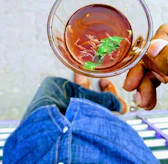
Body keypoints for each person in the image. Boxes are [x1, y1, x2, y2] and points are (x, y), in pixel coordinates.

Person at [3, 24, 168, 164]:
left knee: (53, 85)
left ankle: (88, 90)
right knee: (74, 96)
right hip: (114, 146)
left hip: (36, 140)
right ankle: (115, 101)